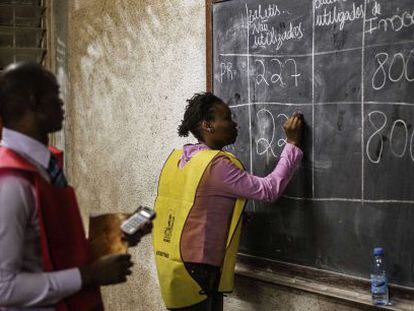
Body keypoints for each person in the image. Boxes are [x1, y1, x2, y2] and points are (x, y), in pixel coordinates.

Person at [0, 62, 143, 311]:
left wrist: (110, 237)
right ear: (35, 101)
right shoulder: (11, 182)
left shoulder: (43, 165)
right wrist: (88, 275)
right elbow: (4, 288)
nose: (62, 102)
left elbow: (52, 251)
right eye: (55, 93)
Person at [153, 92, 303, 310]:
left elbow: (193, 206)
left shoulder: (180, 159)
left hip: (173, 264)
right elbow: (269, 190)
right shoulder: (216, 165)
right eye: (227, 118)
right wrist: (292, 143)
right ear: (208, 125)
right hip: (199, 270)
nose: (235, 124)